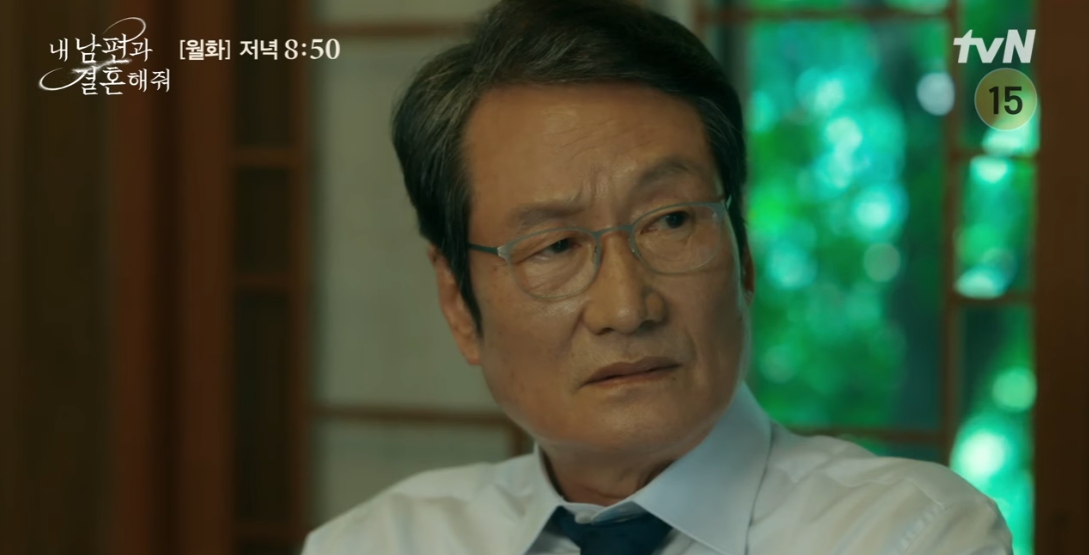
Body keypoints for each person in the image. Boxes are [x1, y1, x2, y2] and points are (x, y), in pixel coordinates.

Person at [302, 0, 1013, 553]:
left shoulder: (907, 532)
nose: (626, 307)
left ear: (742, 251)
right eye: (555, 246)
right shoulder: (375, 542)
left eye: (671, 221)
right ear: (459, 303)